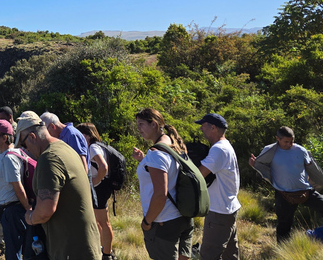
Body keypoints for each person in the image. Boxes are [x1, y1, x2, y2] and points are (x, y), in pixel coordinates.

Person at [16, 111, 101, 260]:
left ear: (32, 137)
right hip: (84, 246)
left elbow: (45, 210)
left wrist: (30, 217)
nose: (25, 150)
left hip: (71, 250)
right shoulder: (63, 147)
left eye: (23, 144)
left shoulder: (49, 158)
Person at [132, 108, 193, 260]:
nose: (138, 129)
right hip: (184, 216)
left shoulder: (156, 154)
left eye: (141, 124)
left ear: (153, 124)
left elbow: (160, 194)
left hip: (164, 221)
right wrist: (144, 160)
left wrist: (147, 222)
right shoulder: (173, 145)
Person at [249, 125, 323, 242]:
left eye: (292, 141)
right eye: (286, 142)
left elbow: (312, 169)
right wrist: (255, 165)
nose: (289, 144)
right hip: (284, 194)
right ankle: (283, 251)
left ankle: (315, 235)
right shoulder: (270, 151)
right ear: (277, 138)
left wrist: (319, 181)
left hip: (306, 191)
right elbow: (262, 165)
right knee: (284, 225)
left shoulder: (301, 150)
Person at [194, 113, 240, 260]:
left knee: (209, 255)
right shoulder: (225, 146)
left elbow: (199, 175)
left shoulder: (219, 149)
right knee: (230, 255)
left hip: (219, 212)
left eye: (204, 125)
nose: (201, 128)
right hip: (227, 208)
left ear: (213, 127)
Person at [0, 119, 31, 260]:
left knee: (13, 254)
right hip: (13, 211)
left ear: (5, 137)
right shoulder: (13, 154)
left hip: (13, 212)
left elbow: (18, 187)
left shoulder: (8, 158)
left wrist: (28, 210)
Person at [76, 123, 115, 260]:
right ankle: (101, 249)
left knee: (104, 222)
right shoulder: (100, 145)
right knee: (99, 221)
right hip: (103, 186)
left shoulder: (93, 147)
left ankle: (107, 254)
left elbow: (103, 166)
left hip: (100, 187)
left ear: (86, 135)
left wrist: (95, 181)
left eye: (80, 136)